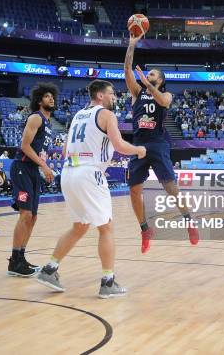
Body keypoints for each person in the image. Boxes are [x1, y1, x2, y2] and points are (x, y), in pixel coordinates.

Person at [37, 80, 146, 297]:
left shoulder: (78, 115)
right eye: (111, 94)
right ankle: (108, 282)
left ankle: (50, 268)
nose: (114, 98)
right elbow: (120, 146)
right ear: (100, 96)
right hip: (89, 172)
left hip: (68, 172)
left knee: (79, 226)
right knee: (106, 227)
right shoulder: (106, 115)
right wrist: (139, 150)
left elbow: (66, 147)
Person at [124, 32, 198, 253]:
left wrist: (149, 85)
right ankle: (145, 229)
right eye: (148, 73)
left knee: (171, 188)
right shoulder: (137, 92)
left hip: (157, 143)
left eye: (153, 74)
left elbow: (163, 101)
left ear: (161, 80)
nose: (148, 75)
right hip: (138, 144)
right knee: (134, 190)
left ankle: (189, 221)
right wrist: (131, 45)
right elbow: (127, 71)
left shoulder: (166, 95)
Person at [7, 83, 57, 277]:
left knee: (33, 217)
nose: (51, 98)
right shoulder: (36, 118)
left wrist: (43, 167)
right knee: (25, 214)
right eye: (46, 96)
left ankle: (21, 256)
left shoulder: (49, 124)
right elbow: (25, 146)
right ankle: (14, 260)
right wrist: (45, 166)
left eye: (52, 96)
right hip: (22, 167)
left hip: (33, 170)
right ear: (39, 100)